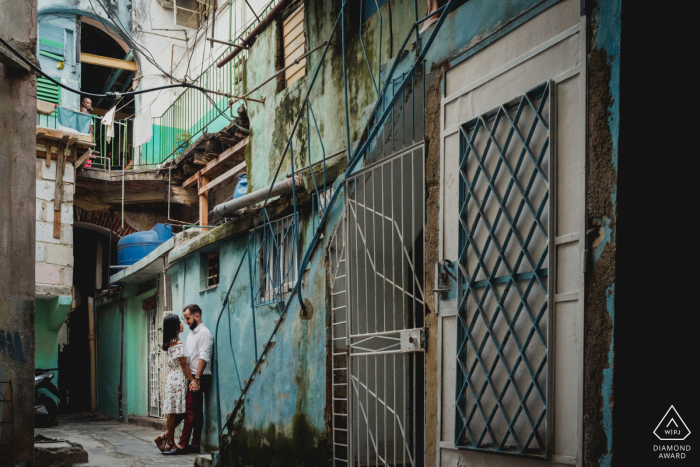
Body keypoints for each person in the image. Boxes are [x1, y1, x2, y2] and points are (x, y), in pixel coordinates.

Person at [164, 304, 213, 455]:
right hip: (191, 378)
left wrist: (196, 379)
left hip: (199, 378)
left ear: (196, 316)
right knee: (196, 412)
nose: (185, 321)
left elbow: (204, 357)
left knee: (190, 412)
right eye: (184, 319)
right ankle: (195, 444)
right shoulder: (191, 335)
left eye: (187, 318)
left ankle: (182, 445)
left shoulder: (204, 333)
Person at [155, 314, 196, 453]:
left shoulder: (170, 343)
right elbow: (184, 365)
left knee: (172, 412)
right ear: (175, 326)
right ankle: (170, 440)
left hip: (172, 379)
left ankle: (166, 438)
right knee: (177, 411)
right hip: (178, 379)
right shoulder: (178, 344)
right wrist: (193, 380)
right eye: (180, 322)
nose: (183, 324)